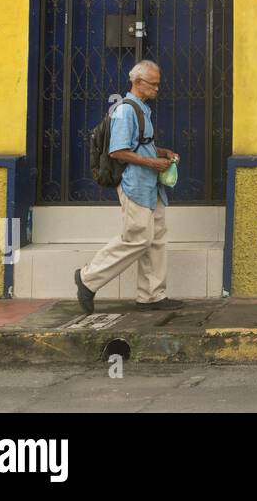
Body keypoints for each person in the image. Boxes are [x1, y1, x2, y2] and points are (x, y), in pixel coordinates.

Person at [75, 60, 184, 312]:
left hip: (150, 185)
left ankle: (152, 295)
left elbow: (139, 145)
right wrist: (151, 163)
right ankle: (88, 278)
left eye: (158, 84)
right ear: (137, 82)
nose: (157, 89)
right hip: (135, 184)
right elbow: (118, 151)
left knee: (156, 238)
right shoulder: (126, 111)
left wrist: (163, 152)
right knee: (136, 238)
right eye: (153, 84)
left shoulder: (142, 109)